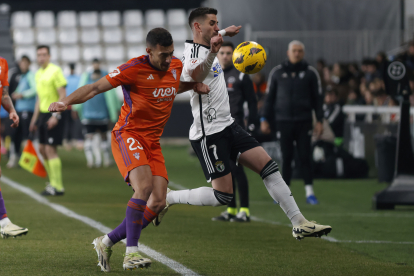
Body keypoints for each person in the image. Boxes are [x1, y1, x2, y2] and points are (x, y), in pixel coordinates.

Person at [155, 7, 331, 241]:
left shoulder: (209, 45)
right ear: (197, 27)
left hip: (229, 125)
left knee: (269, 167)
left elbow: (215, 40)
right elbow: (194, 76)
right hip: (209, 135)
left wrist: (226, 32)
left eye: (218, 23)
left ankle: (299, 223)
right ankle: (169, 198)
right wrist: (213, 51)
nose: (216, 27)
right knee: (224, 195)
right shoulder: (191, 55)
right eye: (212, 23)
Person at [48, 28, 210, 272]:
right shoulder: (132, 69)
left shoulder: (175, 66)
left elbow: (173, 85)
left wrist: (194, 85)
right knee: (143, 187)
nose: (168, 59)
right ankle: (131, 252)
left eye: (171, 54)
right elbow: (94, 88)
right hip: (129, 134)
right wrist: (65, 102)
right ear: (149, 51)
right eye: (163, 55)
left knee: (158, 202)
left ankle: (106, 241)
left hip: (153, 141)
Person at [261, 40, 324, 205]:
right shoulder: (277, 72)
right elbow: (269, 99)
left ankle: (309, 192)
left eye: (299, 51)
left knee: (305, 156)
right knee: (286, 157)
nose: (297, 53)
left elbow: (318, 99)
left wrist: (320, 120)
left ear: (303, 53)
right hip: (283, 121)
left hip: (304, 122)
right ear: (288, 53)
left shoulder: (311, 73)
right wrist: (264, 118)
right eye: (294, 51)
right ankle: (284, 193)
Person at [212, 41, 257, 222]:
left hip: (236, 128)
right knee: (225, 171)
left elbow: (252, 102)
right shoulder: (213, 74)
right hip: (217, 129)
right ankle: (231, 210)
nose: (225, 56)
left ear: (234, 55)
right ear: (217, 54)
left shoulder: (241, 76)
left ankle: (244, 211)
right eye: (222, 52)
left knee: (237, 170)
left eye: (228, 53)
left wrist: (252, 125)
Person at [29, 45, 67, 196]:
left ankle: (58, 186)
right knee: (43, 150)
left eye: (44, 54)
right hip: (43, 115)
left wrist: (56, 116)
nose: (41, 57)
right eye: (39, 55)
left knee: (51, 150)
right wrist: (34, 119)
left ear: (49, 56)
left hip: (53, 113)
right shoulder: (38, 73)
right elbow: (39, 98)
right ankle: (52, 184)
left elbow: (63, 94)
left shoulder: (55, 70)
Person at [0, 56, 28, 238]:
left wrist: (11, 110)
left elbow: (4, 94)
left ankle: (4, 222)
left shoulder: (2, 63)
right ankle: (3, 222)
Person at [73, 59, 120, 168]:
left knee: (101, 137)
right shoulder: (89, 79)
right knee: (92, 137)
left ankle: (103, 160)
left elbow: (112, 97)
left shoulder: (102, 79)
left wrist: (115, 109)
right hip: (90, 115)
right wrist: (76, 107)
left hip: (101, 115)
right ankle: (94, 161)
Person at [7, 56, 36, 168]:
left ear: (28, 64)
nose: (22, 65)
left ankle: (29, 160)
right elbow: (18, 90)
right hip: (19, 109)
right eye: (21, 63)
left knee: (27, 134)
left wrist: (22, 95)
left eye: (25, 63)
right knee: (15, 134)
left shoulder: (30, 76)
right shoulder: (23, 76)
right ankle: (15, 157)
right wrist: (15, 94)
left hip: (27, 110)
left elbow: (35, 89)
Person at [63, 63, 82, 151]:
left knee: (76, 123)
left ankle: (78, 140)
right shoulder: (65, 79)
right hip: (67, 104)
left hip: (76, 104)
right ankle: (68, 140)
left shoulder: (78, 79)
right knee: (67, 123)